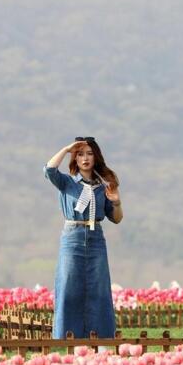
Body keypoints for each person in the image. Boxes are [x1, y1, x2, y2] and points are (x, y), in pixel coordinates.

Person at [44, 137, 123, 339]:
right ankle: (66, 337)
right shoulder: (67, 182)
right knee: (69, 286)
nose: (85, 158)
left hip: (96, 238)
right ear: (75, 158)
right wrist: (66, 148)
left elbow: (116, 218)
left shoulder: (104, 185)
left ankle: (101, 337)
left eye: (89, 153)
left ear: (96, 157)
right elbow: (49, 170)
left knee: (99, 288)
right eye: (80, 154)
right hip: (72, 238)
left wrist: (116, 202)